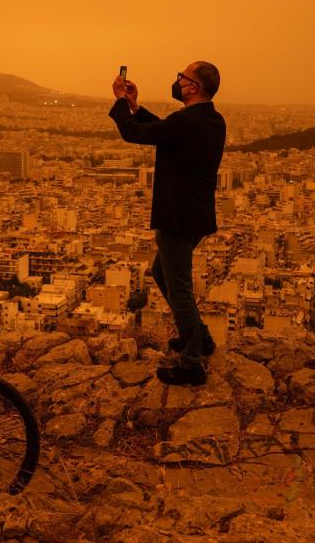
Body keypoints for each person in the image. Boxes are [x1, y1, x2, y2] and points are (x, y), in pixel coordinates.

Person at [109, 62, 226, 386]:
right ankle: (199, 338)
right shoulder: (211, 120)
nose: (177, 81)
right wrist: (136, 106)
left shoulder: (187, 121)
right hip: (197, 215)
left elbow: (135, 134)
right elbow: (166, 131)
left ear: (193, 87)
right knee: (162, 272)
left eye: (182, 77)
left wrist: (120, 101)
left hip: (177, 217)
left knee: (180, 289)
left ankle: (191, 363)